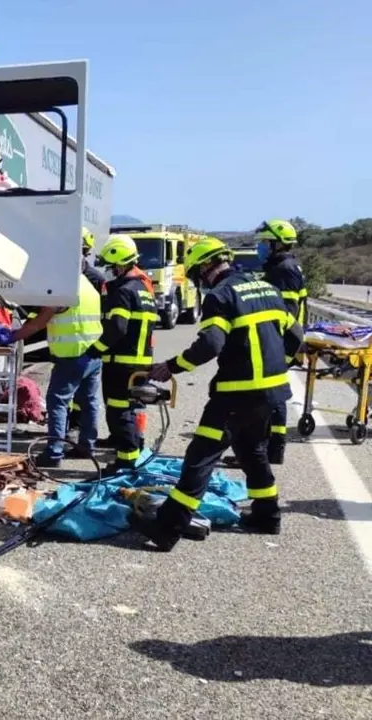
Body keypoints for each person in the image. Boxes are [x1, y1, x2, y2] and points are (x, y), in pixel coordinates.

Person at [139, 236, 304, 551]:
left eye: (196, 274)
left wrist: (171, 367)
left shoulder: (220, 296)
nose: (197, 281)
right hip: (271, 394)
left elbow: (210, 345)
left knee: (200, 456)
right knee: (253, 452)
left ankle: (167, 527)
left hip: (235, 395)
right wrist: (277, 367)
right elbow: (296, 335)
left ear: (204, 267)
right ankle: (267, 516)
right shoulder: (268, 289)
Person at [225, 219, 306, 467]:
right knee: (274, 396)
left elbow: (286, 312)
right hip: (284, 340)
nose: (260, 247)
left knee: (271, 398)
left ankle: (265, 450)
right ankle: (270, 450)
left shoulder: (284, 270)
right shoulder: (283, 266)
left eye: (263, 243)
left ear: (276, 244)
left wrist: (281, 345)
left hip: (281, 341)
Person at [9, 272, 103, 468]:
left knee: (57, 402)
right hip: (93, 353)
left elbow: (38, 323)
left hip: (71, 356)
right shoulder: (88, 287)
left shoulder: (64, 288)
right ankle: (86, 447)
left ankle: (53, 453)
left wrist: (11, 337)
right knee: (89, 402)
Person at [83, 235, 158, 474]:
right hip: (140, 362)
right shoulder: (143, 289)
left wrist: (97, 349)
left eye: (111, 265)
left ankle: (125, 463)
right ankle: (131, 453)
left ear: (120, 262)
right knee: (129, 410)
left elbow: (117, 328)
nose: (110, 270)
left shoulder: (123, 291)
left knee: (119, 411)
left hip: (122, 363)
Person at [68, 227, 108, 433]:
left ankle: (78, 427)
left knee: (82, 394)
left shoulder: (95, 279)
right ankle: (75, 425)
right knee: (80, 394)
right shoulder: (65, 275)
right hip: (71, 342)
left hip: (88, 345)